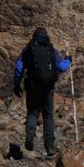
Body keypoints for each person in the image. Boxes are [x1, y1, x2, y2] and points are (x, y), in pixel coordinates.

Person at [13, 27, 71, 156]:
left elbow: (19, 67)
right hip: (48, 87)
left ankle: (29, 136)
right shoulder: (51, 50)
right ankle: (49, 146)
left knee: (33, 113)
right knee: (48, 115)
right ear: (46, 37)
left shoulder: (28, 49)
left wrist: (17, 84)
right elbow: (62, 67)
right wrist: (68, 59)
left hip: (32, 86)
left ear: (34, 36)